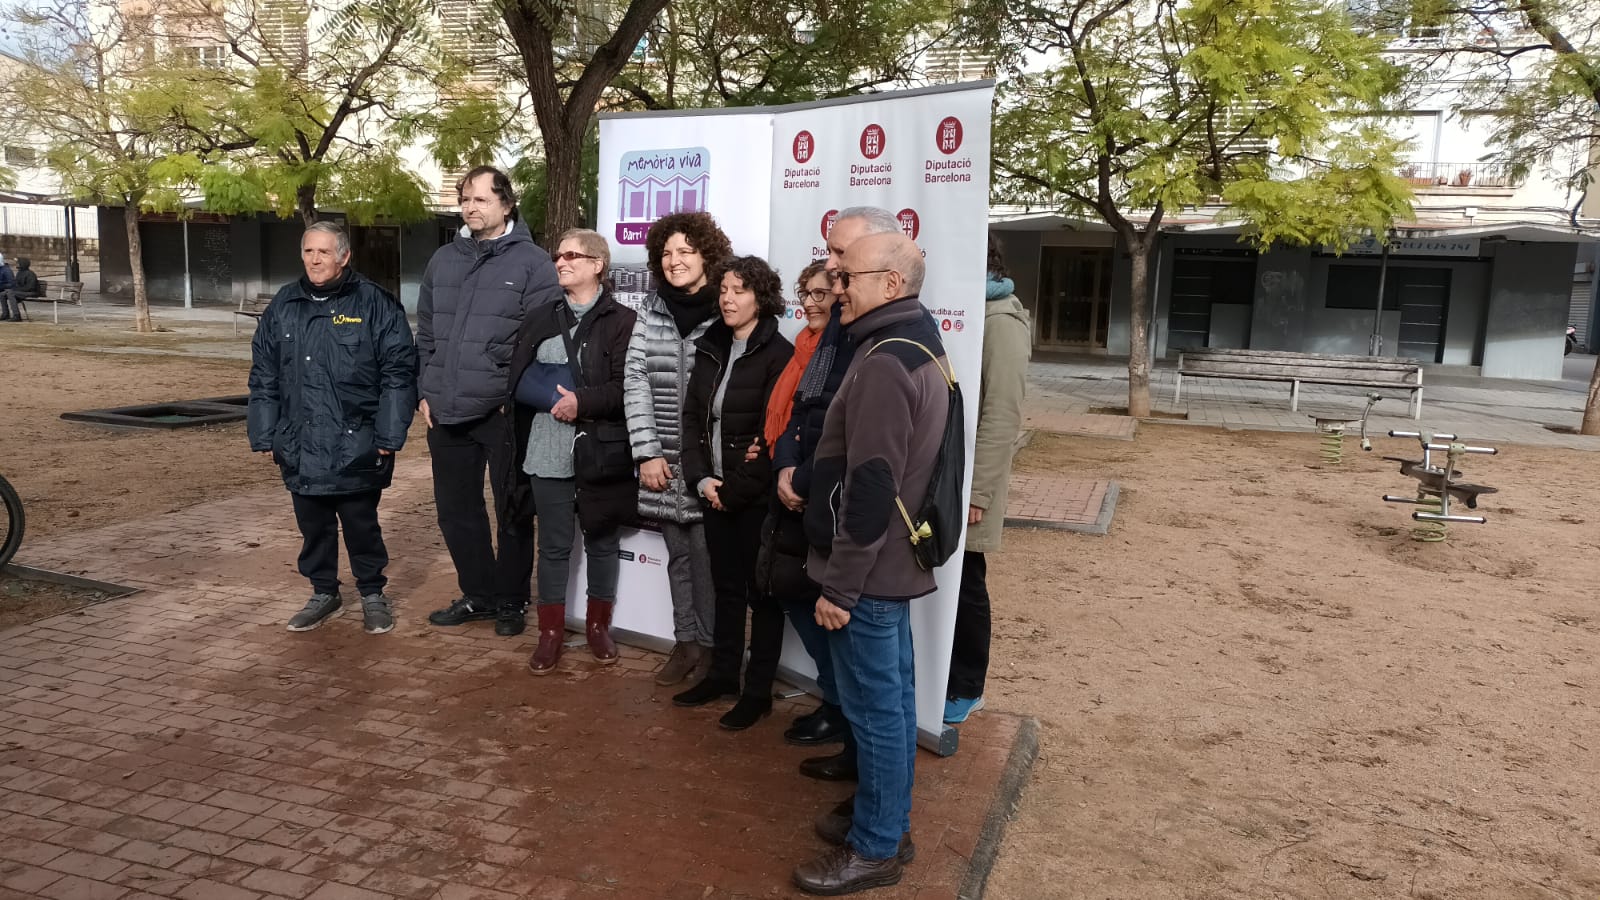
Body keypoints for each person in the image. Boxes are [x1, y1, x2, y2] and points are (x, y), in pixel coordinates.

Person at [793, 232, 950, 895]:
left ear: (890, 283)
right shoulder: (913, 342)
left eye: (845, 275)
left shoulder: (885, 361)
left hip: (869, 577)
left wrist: (841, 587)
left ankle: (877, 847)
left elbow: (871, 489)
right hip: (887, 571)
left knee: (877, 715)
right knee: (889, 707)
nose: (834, 286)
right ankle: (887, 825)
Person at [775, 207, 905, 782]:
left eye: (840, 255)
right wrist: (784, 463)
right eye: (829, 254)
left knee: (876, 687)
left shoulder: (882, 342)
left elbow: (851, 440)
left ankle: (874, 806)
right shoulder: (839, 328)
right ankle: (853, 752)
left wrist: (802, 479)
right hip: (805, 487)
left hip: (837, 509)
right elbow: (806, 406)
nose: (831, 267)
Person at [247, 222, 417, 634]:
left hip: (356, 443)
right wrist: (265, 433)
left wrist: (389, 435)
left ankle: (372, 593)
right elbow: (264, 374)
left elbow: (399, 373)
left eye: (324, 252)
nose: (315, 259)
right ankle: (324, 592)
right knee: (313, 527)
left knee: (361, 526)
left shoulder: (375, 303)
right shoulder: (284, 305)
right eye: (309, 251)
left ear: (344, 256)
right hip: (299, 442)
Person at [419, 166, 563, 638]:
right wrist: (424, 389)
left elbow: (542, 339)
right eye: (465, 199)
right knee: (456, 511)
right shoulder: (443, 259)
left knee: (513, 509)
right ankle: (479, 595)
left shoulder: (533, 263)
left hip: (502, 411)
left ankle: (512, 600)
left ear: (506, 204)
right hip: (445, 409)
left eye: (481, 199)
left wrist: (514, 394)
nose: (471, 208)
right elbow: (426, 332)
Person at [507, 229, 638, 675]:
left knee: (601, 542)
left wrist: (581, 402)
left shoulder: (622, 321)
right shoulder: (540, 317)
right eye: (558, 255)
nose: (561, 262)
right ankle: (550, 634)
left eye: (571, 256)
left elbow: (625, 388)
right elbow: (517, 377)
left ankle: (599, 627)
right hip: (547, 448)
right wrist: (546, 395)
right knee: (554, 547)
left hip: (601, 449)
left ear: (598, 265)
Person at [675, 255, 794, 727]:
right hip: (713, 490)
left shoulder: (779, 354)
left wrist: (734, 492)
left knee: (761, 594)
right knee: (725, 587)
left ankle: (758, 691)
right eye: (723, 290)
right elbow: (692, 419)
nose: (727, 298)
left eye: (739, 290)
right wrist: (703, 480)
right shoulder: (711, 345)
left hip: (754, 499)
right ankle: (723, 674)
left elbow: (773, 436)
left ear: (760, 298)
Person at [623, 211, 734, 686]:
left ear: (707, 254)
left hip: (712, 461)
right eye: (667, 253)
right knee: (679, 556)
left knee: (710, 560)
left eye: (686, 251)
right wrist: (647, 452)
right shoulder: (651, 308)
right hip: (663, 458)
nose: (675, 261)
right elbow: (635, 379)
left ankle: (712, 648)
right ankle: (685, 642)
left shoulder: (727, 307)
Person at [945, 237, 1031, 724]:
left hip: (970, 480)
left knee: (967, 580)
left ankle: (967, 686)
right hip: (944, 474)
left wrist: (977, 491)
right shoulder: (963, 311)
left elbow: (1002, 415)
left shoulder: (1001, 320)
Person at [2, 257, 39, 322]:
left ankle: (17, 315)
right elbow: (16, 285)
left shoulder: (30, 274)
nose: (16, 264)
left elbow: (31, 287)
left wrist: (16, 290)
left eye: (18, 263)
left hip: (32, 292)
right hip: (22, 291)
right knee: (2, 294)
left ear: (22, 264)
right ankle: (5, 314)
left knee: (11, 293)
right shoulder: (19, 273)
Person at [0, 254, 16, 321]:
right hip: (3, 288)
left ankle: (7, 314)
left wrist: (2, 286)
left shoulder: (6, 270)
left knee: (2, 294)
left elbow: (11, 284)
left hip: (6, 289)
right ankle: (5, 314)